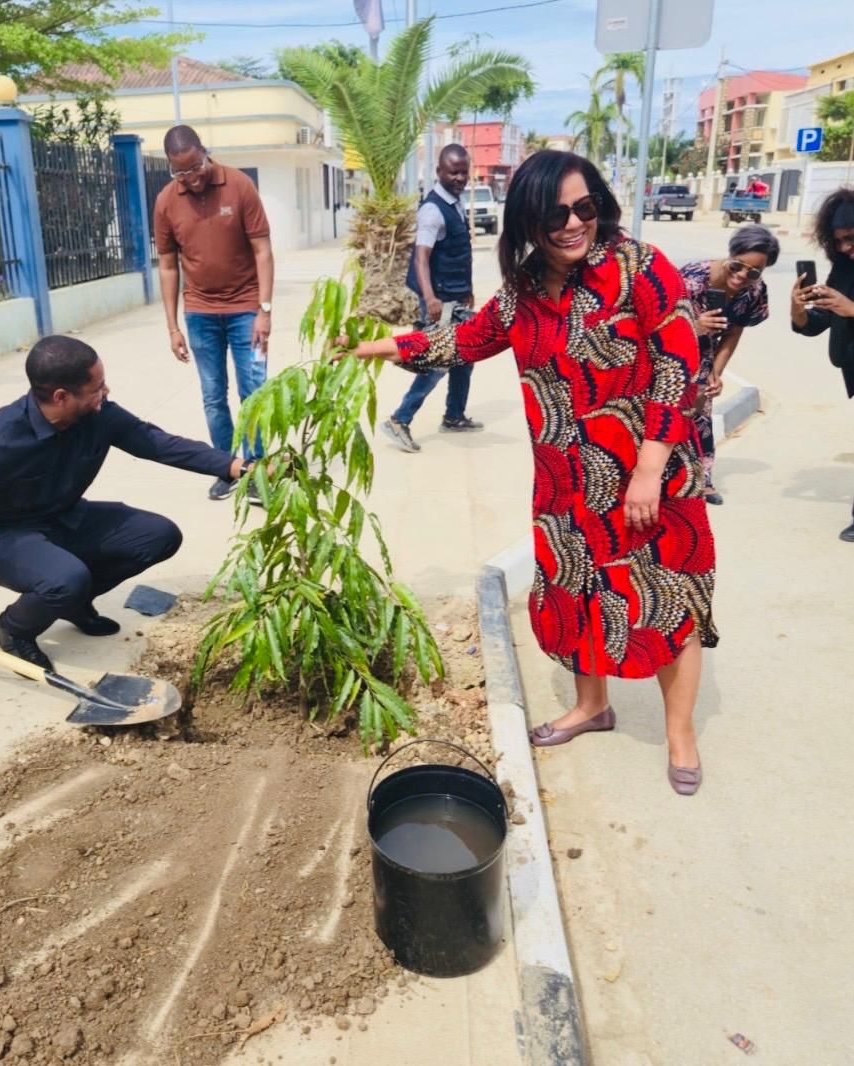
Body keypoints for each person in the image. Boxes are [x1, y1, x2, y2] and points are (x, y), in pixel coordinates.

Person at [340, 150, 717, 795]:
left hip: (651, 480)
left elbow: (677, 366)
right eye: (556, 214)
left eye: (585, 208)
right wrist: (375, 346)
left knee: (671, 601)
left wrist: (651, 466)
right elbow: (464, 340)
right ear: (526, 222)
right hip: (566, 485)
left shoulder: (640, 268)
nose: (574, 224)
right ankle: (592, 706)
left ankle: (679, 733)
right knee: (576, 595)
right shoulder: (522, 293)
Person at [0, 336, 252, 670]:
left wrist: (237, 466)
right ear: (61, 396)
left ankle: (71, 601)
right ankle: (14, 629)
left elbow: (155, 442)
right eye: (96, 387)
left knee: (158, 535)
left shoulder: (99, 414)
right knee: (66, 579)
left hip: (62, 520)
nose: (105, 392)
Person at [153, 124, 274, 501]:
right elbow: (169, 266)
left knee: (253, 392)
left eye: (195, 167)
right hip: (200, 315)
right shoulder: (166, 201)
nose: (190, 179)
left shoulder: (239, 186)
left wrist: (264, 310)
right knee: (212, 395)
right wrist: (172, 326)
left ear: (206, 152)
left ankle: (257, 471)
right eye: (180, 172)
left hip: (246, 312)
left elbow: (263, 251)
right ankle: (226, 467)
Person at [382, 144, 483, 454]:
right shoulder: (432, 210)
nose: (460, 177)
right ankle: (400, 419)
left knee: (466, 356)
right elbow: (421, 258)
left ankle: (454, 415)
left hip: (455, 297)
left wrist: (466, 291)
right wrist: (430, 297)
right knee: (437, 362)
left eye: (464, 171)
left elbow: (455, 253)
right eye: (454, 171)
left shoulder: (453, 203)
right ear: (439, 171)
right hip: (438, 301)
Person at [679, 224, 778, 505]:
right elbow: (658, 324)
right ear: (730, 255)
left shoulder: (754, 291)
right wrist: (695, 327)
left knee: (701, 414)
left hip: (705, 355)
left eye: (754, 272)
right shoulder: (692, 278)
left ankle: (702, 481)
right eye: (738, 266)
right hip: (669, 352)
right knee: (666, 415)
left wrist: (716, 373)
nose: (742, 276)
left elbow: (734, 331)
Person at [791, 186, 854, 542]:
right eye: (840, 241)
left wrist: (852, 308)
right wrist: (799, 311)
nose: (845, 247)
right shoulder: (844, 268)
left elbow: (845, 309)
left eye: (852, 238)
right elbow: (819, 322)